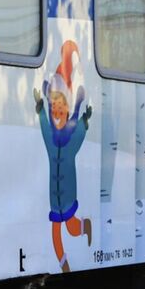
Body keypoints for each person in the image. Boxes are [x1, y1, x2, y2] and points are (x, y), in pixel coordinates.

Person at [36, 42, 92, 271]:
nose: (57, 115)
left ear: (67, 112)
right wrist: (40, 111)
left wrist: (84, 122)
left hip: (67, 196)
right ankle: (64, 265)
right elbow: (44, 127)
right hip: (54, 198)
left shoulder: (69, 143)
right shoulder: (52, 139)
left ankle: (84, 227)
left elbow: (78, 132)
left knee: (71, 227)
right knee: (57, 232)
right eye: (53, 111)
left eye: (61, 111)